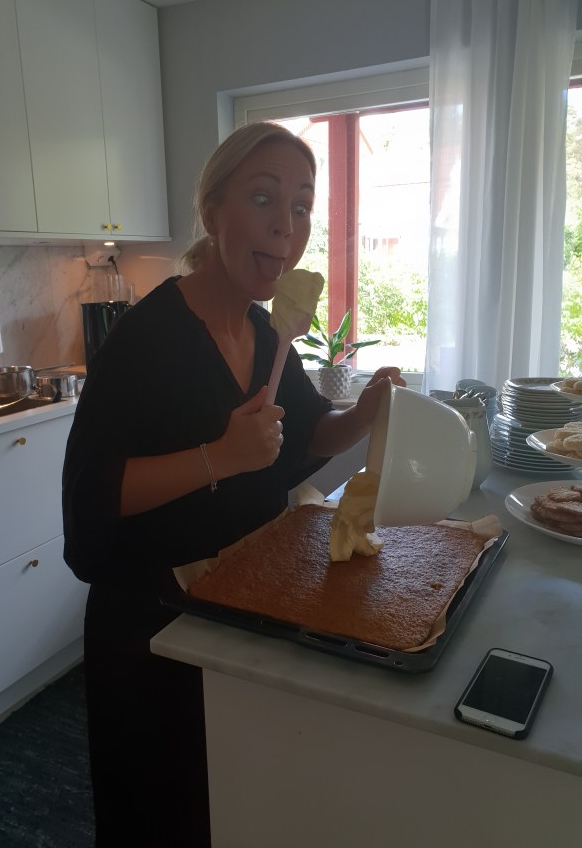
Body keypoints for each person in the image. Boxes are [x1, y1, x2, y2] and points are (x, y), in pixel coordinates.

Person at [62, 121, 405, 846]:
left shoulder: (269, 333)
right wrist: (218, 456)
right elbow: (92, 496)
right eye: (263, 198)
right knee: (165, 816)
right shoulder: (145, 338)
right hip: (152, 631)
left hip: (240, 607)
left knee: (241, 808)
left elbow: (303, 436)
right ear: (212, 210)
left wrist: (362, 414)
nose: (287, 227)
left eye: (302, 207)